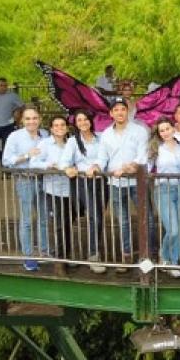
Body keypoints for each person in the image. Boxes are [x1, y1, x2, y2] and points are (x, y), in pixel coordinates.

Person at [93, 99, 149, 270]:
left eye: (122, 109)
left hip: (137, 182)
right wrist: (96, 166)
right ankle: (126, 255)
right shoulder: (106, 135)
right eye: (116, 109)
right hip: (115, 183)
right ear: (111, 113)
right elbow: (102, 158)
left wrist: (130, 167)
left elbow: (143, 156)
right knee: (122, 220)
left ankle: (147, 255)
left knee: (146, 218)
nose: (119, 112)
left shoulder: (140, 131)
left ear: (128, 111)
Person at [3, 107, 51, 271]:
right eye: (28, 118)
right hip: (25, 179)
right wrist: (26, 155)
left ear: (40, 119)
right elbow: (6, 161)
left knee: (44, 217)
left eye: (35, 118)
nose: (32, 121)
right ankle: (28, 255)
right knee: (26, 219)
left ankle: (44, 252)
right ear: (22, 120)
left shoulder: (45, 135)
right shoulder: (15, 137)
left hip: (44, 180)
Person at [144, 119, 180, 278]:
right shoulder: (155, 149)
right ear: (159, 134)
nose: (165, 133)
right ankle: (166, 258)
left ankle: (172, 260)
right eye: (162, 131)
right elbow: (147, 169)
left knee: (179, 226)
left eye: (167, 129)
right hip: (163, 189)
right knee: (173, 229)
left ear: (173, 128)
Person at [67, 109, 108, 274]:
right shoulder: (73, 141)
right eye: (79, 120)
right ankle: (93, 255)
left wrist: (97, 166)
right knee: (94, 217)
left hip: (101, 181)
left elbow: (106, 157)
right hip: (84, 181)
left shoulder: (101, 137)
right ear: (76, 124)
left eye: (85, 119)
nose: (83, 122)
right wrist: (69, 168)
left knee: (99, 217)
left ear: (90, 120)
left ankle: (94, 250)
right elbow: (65, 160)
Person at [40, 116, 78, 267]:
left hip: (70, 189)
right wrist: (51, 165)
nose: (59, 128)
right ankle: (61, 258)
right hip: (53, 189)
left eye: (62, 125)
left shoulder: (72, 143)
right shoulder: (45, 144)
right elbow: (35, 162)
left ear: (67, 127)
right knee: (59, 224)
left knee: (68, 222)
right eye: (56, 125)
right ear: (51, 128)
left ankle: (66, 254)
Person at [0, 78, 24, 163]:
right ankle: (3, 158)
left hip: (8, 125)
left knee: (7, 148)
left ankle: (7, 171)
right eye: (1, 85)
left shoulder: (13, 96)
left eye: (5, 86)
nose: (3, 87)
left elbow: (22, 106)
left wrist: (18, 114)